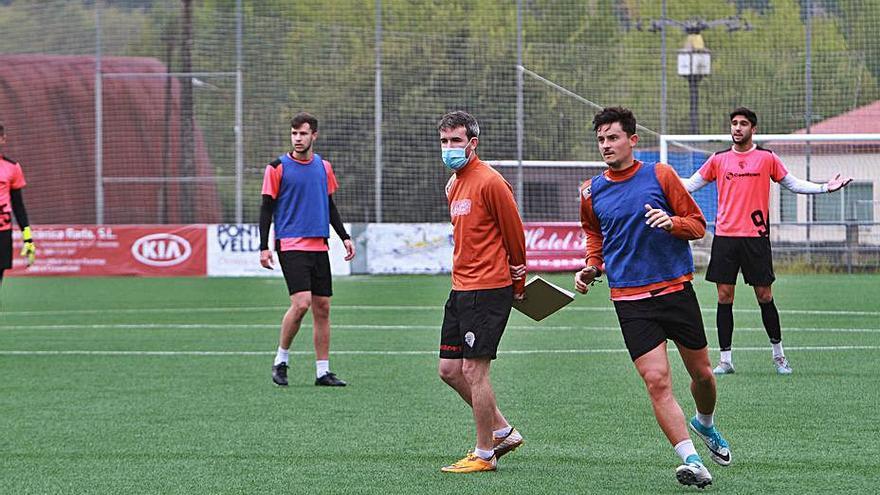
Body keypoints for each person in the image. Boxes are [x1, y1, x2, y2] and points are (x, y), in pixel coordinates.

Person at [575, 107, 730, 488]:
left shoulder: (660, 175)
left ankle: (705, 423)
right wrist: (592, 265)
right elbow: (594, 234)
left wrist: (672, 222)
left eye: (613, 138)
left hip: (676, 292)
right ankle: (692, 461)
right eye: (601, 140)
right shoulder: (591, 191)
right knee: (657, 381)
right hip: (630, 301)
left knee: (703, 375)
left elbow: (697, 224)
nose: (606, 145)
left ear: (632, 140)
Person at [683, 107, 852, 375]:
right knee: (724, 297)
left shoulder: (766, 158)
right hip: (726, 239)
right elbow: (689, 185)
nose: (737, 128)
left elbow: (793, 184)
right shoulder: (718, 160)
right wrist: (659, 179)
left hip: (756, 239)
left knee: (765, 295)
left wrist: (823, 188)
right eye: (734, 123)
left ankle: (779, 356)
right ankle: (725, 360)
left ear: (754, 129)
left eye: (743, 124)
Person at [436, 111, 527, 473]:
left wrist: (518, 281)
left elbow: (515, 234)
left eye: (456, 141)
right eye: (444, 141)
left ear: (472, 143)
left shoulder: (491, 182)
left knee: (475, 371)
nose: (449, 148)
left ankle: (485, 454)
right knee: (449, 370)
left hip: (488, 289)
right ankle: (503, 431)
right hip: (460, 288)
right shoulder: (453, 184)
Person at [259, 112, 355, 387]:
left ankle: (322, 371)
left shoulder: (323, 167)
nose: (297, 138)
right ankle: (281, 360)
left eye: (303, 133)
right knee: (301, 304)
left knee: (322, 308)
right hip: (290, 244)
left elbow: (330, 205)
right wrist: (263, 247)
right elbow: (266, 209)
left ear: (314, 135)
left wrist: (344, 236)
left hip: (318, 245)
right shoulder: (277, 167)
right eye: (294, 133)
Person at [0, 123, 36, 289]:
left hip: (2, 233)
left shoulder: (12, 168)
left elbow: (19, 207)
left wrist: (27, 238)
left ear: (3, 139)